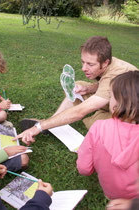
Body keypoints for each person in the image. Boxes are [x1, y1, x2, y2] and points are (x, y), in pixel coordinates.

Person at [14, 36, 138, 145]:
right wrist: (89, 88)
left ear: (105, 63)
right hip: (113, 102)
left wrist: (38, 127)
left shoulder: (115, 72)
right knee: (77, 87)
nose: (84, 68)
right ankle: (53, 123)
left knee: (97, 125)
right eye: (83, 62)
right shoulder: (107, 61)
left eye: (90, 64)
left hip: (128, 115)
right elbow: (105, 85)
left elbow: (81, 111)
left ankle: (86, 118)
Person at [76, 71, 139, 199]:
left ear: (116, 104)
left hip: (111, 194)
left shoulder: (99, 127)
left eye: (111, 96)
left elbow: (84, 168)